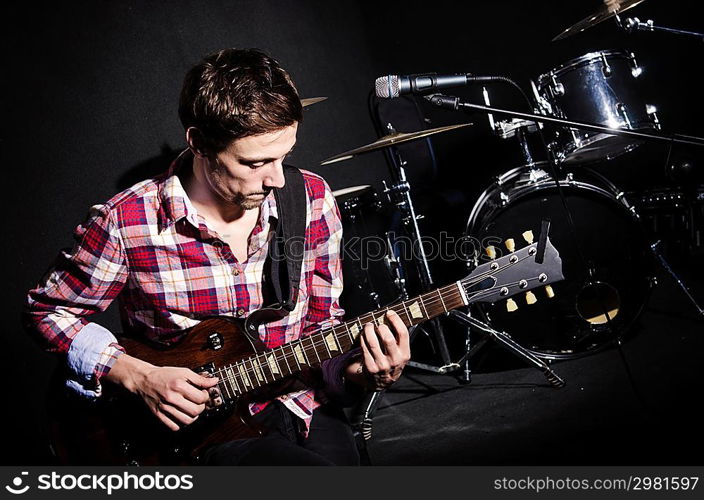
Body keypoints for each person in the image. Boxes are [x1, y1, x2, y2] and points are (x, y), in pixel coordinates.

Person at [24, 48, 410, 465]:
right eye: (256, 162)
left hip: (301, 404)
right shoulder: (128, 220)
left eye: (284, 156)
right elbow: (47, 313)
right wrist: (139, 376)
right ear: (200, 144)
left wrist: (365, 372)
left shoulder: (310, 199)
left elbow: (322, 330)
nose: (277, 179)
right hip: (199, 436)